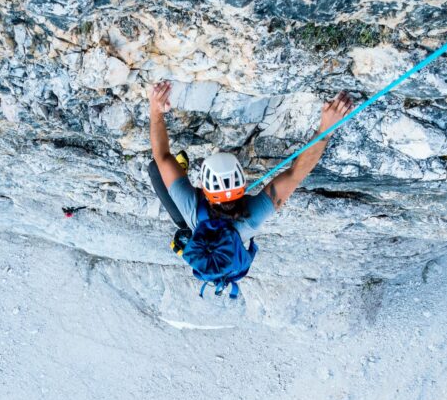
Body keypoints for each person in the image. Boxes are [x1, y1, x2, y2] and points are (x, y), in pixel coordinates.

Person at [147, 80, 354, 296]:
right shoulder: (249, 216)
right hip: (197, 223)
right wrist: (326, 129)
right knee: (160, 172)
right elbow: (295, 173)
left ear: (202, 189)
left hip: (194, 222)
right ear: (244, 185)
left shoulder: (195, 207)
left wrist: (155, 110)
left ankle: (185, 221)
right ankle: (185, 233)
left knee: (158, 169)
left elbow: (161, 156)